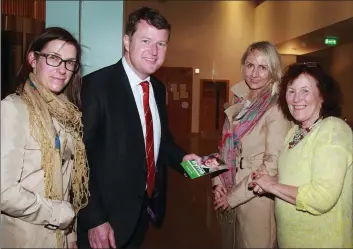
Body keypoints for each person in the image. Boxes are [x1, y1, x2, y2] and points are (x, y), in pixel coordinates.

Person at [76, 7, 200, 249]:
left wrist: (186, 160)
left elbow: (160, 143)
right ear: (126, 41)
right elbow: (79, 158)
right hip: (105, 221)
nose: (154, 52)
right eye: (146, 41)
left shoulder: (158, 89)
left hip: (142, 213)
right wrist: (94, 219)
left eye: (161, 44)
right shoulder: (96, 87)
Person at [1, 27, 89, 248]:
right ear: (33, 58)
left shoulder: (65, 113)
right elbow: (4, 191)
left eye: (70, 62)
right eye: (53, 58)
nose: (62, 69)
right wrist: (57, 213)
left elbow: (66, 184)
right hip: (25, 238)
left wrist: (71, 236)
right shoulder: (13, 109)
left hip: (59, 238)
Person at [251, 62, 353, 248]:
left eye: (305, 91)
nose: (296, 98)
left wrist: (273, 187)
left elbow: (321, 197)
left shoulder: (333, 130)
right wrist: (270, 181)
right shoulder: (296, 131)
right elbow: (298, 178)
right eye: (291, 91)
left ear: (322, 96)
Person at [211, 41, 291, 248]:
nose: (254, 73)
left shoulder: (276, 109)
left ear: (273, 71)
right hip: (230, 189)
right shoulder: (240, 100)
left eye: (262, 67)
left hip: (255, 199)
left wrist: (233, 197)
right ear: (242, 67)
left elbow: (272, 166)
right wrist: (217, 183)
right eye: (250, 65)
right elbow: (225, 147)